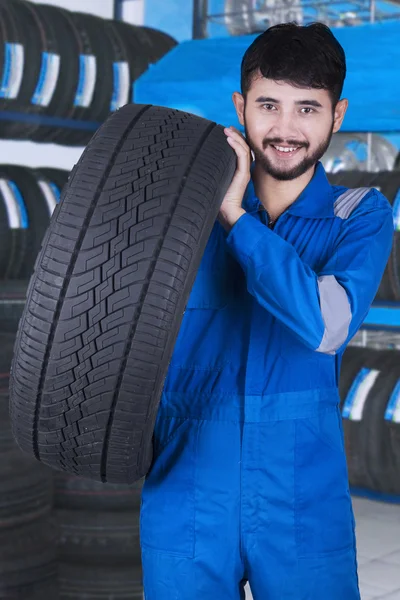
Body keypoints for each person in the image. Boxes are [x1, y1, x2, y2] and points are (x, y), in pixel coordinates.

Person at [139, 22, 394, 599]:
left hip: (302, 494)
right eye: (268, 105)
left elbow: (326, 323)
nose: (285, 129)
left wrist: (237, 219)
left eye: (308, 108)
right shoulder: (179, 214)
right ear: (240, 108)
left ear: (338, 115)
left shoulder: (360, 215)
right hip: (189, 484)